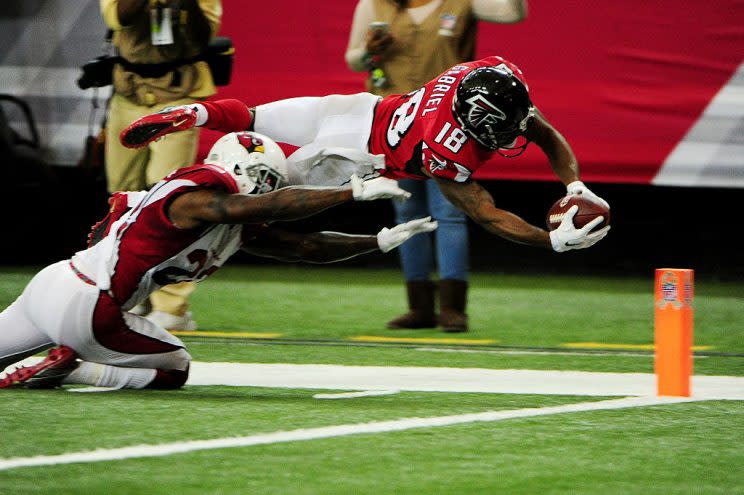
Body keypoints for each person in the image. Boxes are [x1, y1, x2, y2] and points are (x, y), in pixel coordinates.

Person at [120, 55, 611, 324]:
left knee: (252, 115)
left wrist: (576, 184)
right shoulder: (447, 146)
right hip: (350, 154)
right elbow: (485, 213)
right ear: (470, 123)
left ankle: (195, 116)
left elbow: (540, 129)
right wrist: (549, 241)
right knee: (256, 209)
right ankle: (161, 261)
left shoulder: (483, 77)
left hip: (358, 107)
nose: (509, 140)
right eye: (497, 134)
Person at [0, 132, 436, 390]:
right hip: (92, 306)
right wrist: (350, 192)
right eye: (263, 180)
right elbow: (259, 208)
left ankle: (57, 358)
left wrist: (377, 241)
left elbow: (305, 247)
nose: (264, 190)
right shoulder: (198, 191)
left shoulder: (226, 217)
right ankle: (71, 368)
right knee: (175, 369)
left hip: (55, 284)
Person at [344, 0, 528, 332]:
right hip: (393, 125)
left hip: (449, 124)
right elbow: (354, 59)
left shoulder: (460, 2)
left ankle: (453, 308)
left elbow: (514, 13)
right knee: (406, 213)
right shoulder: (374, 5)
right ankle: (420, 307)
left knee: (450, 213)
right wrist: (369, 52)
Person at [101, 0, 223, 331]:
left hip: (177, 96)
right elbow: (120, 17)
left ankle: (173, 306)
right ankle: (127, 293)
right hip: (129, 95)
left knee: (166, 196)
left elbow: (203, 36)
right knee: (122, 197)